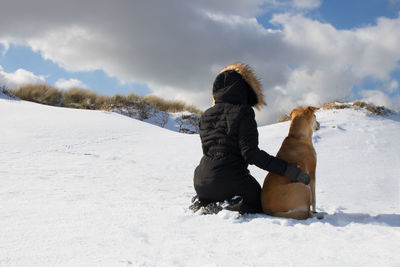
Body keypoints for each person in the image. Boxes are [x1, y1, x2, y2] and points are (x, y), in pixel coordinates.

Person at [192, 63, 310, 214]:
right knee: (258, 201)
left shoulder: (206, 115)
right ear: (243, 89)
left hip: (200, 181)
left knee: (219, 185)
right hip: (230, 180)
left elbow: (209, 150)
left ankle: (205, 202)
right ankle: (226, 206)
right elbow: (252, 154)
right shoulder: (243, 112)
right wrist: (288, 170)